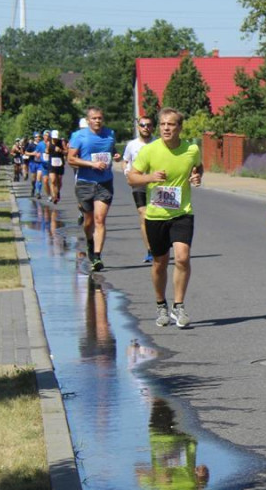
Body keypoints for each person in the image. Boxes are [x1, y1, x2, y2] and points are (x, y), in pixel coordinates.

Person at [128, 107, 204, 328]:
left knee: (182, 257)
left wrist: (197, 176)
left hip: (182, 213)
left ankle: (178, 306)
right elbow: (132, 178)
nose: (166, 128)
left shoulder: (191, 149)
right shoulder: (149, 151)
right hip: (156, 215)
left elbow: (198, 166)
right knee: (160, 263)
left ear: (179, 127)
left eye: (171, 124)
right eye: (162, 124)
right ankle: (161, 305)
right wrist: (151, 177)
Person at [68, 107, 121, 271]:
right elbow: (70, 159)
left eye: (100, 118)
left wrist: (116, 155)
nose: (97, 121)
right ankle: (90, 242)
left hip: (104, 182)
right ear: (88, 120)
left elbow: (112, 150)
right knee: (89, 221)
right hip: (85, 182)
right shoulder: (79, 136)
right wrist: (92, 164)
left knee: (100, 219)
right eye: (94, 118)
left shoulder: (110, 134)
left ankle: (97, 256)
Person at [124, 116, 157, 262]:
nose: (146, 128)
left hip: (156, 184)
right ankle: (150, 250)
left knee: (158, 217)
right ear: (138, 127)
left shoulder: (158, 143)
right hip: (139, 184)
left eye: (149, 125)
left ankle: (160, 243)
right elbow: (126, 161)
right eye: (143, 125)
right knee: (143, 214)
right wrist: (127, 173)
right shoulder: (132, 145)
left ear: (153, 127)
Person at [47, 130, 66, 203]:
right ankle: (54, 196)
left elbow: (66, 152)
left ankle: (57, 192)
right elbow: (46, 151)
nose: (55, 140)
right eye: (54, 138)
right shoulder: (49, 143)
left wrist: (61, 151)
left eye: (56, 138)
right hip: (52, 163)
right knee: (52, 180)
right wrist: (48, 150)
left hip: (60, 164)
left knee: (59, 181)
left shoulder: (62, 142)